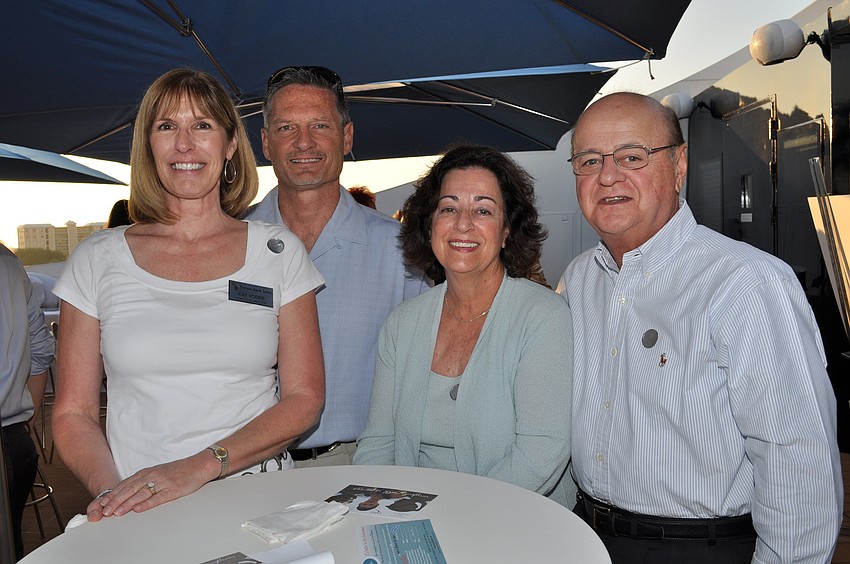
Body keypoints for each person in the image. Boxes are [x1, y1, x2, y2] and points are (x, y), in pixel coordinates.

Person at [558, 92, 842, 562]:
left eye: (632, 156)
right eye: (588, 161)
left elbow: (797, 465)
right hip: (586, 538)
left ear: (679, 165)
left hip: (698, 550)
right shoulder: (579, 281)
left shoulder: (747, 283)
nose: (607, 176)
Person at [52, 68, 325, 522]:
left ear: (230, 144)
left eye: (202, 125)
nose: (184, 144)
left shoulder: (278, 252)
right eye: (166, 126)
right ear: (148, 146)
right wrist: (117, 497)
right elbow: (73, 413)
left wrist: (197, 469)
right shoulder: (96, 259)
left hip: (257, 503)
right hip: (137, 511)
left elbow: (304, 398)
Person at [353, 145, 574, 506]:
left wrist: (450, 514)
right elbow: (378, 442)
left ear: (507, 231)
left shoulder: (543, 317)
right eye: (449, 208)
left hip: (518, 524)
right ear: (429, 225)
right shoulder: (401, 324)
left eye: (483, 210)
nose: (463, 224)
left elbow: (540, 454)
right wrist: (382, 513)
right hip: (412, 523)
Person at [244, 65, 429, 467]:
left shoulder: (402, 252)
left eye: (320, 126)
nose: (303, 142)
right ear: (265, 142)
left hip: (358, 464)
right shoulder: (230, 247)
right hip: (248, 467)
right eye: (286, 128)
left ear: (347, 137)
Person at [1, 243, 54, 560]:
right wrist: (27, 419)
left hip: (12, 436)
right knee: (9, 544)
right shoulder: (8, 262)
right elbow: (41, 353)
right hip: (12, 439)